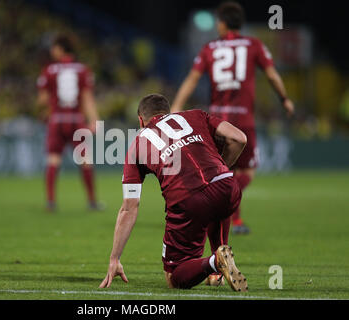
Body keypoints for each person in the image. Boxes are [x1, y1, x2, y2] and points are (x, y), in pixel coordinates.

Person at [99, 94, 248, 291]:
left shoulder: (137, 144)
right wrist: (221, 167)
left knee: (174, 276)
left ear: (140, 120)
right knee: (218, 204)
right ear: (169, 113)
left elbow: (129, 208)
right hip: (228, 187)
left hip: (190, 200)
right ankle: (217, 272)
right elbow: (239, 138)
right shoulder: (195, 115)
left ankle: (214, 263)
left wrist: (114, 258)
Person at [171, 1, 295, 235]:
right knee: (245, 173)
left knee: (217, 172)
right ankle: (224, 215)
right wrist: (285, 99)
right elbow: (272, 75)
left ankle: (209, 212)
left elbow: (192, 79)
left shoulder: (209, 48)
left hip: (216, 121)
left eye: (218, 21)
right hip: (243, 120)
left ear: (223, 23)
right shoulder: (254, 45)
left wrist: (177, 107)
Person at [37, 34, 103, 212]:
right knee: (85, 161)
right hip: (76, 120)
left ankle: (51, 202)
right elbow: (87, 97)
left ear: (60, 49)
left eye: (53, 48)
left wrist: (46, 106)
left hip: (57, 120)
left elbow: (42, 99)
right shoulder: (82, 69)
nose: (52, 51)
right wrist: (94, 119)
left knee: (53, 160)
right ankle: (92, 201)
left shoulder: (49, 70)